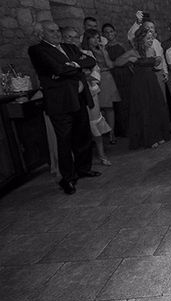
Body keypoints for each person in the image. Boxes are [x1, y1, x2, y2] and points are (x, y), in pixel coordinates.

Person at [28, 21, 101, 195]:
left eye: (57, 30)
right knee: (64, 140)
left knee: (82, 136)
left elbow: (90, 60)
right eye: (51, 31)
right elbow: (56, 69)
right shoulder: (37, 50)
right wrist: (77, 67)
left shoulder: (69, 48)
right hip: (60, 103)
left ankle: (83, 168)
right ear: (41, 34)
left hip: (78, 99)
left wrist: (73, 65)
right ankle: (67, 178)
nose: (56, 34)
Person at [116, 25, 171, 149]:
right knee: (144, 108)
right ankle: (148, 138)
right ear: (141, 39)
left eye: (152, 38)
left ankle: (158, 135)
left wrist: (156, 60)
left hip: (151, 81)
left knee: (155, 107)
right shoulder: (133, 51)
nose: (151, 41)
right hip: (139, 83)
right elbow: (117, 62)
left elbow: (156, 64)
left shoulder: (151, 50)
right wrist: (130, 59)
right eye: (148, 39)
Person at [78, 28, 112, 166]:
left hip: (91, 88)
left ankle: (102, 154)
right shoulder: (75, 53)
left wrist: (90, 76)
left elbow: (95, 69)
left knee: (95, 120)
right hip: (78, 90)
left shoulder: (89, 53)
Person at [86, 23, 120, 143]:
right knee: (96, 110)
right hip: (91, 81)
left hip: (105, 79)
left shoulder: (101, 50)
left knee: (109, 108)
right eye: (94, 37)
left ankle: (111, 134)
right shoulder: (84, 52)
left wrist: (103, 52)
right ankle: (98, 136)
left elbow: (110, 65)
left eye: (98, 37)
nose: (97, 40)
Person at [104, 23, 132, 137]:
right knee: (117, 104)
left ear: (115, 32)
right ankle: (120, 130)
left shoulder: (122, 45)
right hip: (113, 77)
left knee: (127, 100)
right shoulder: (104, 48)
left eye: (111, 31)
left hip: (125, 75)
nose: (109, 34)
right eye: (106, 32)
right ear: (103, 34)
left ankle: (130, 127)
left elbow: (130, 59)